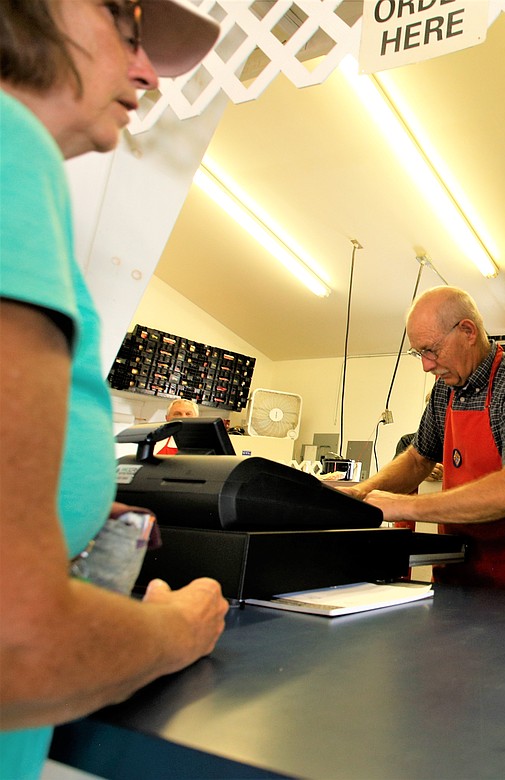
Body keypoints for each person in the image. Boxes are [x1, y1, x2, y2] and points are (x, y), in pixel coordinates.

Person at [0, 1, 227, 776]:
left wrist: (67, 507)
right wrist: (178, 629)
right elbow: (15, 647)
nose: (147, 73)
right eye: (130, 32)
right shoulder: (10, 150)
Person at [342, 286, 505, 594]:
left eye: (431, 350)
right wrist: (364, 492)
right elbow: (418, 458)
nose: (426, 365)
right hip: (455, 575)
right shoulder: (446, 390)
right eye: (419, 353)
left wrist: (404, 506)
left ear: (468, 331)